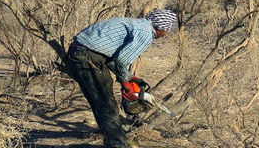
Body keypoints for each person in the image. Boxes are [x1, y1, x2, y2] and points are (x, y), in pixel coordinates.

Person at [65, 9, 178, 148]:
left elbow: (111, 55)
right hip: (86, 56)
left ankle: (113, 141)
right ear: (162, 27)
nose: (165, 35)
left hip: (79, 52)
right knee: (106, 104)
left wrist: (129, 78)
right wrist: (125, 82)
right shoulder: (147, 32)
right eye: (167, 31)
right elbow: (122, 60)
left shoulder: (136, 24)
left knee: (100, 103)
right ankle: (118, 145)